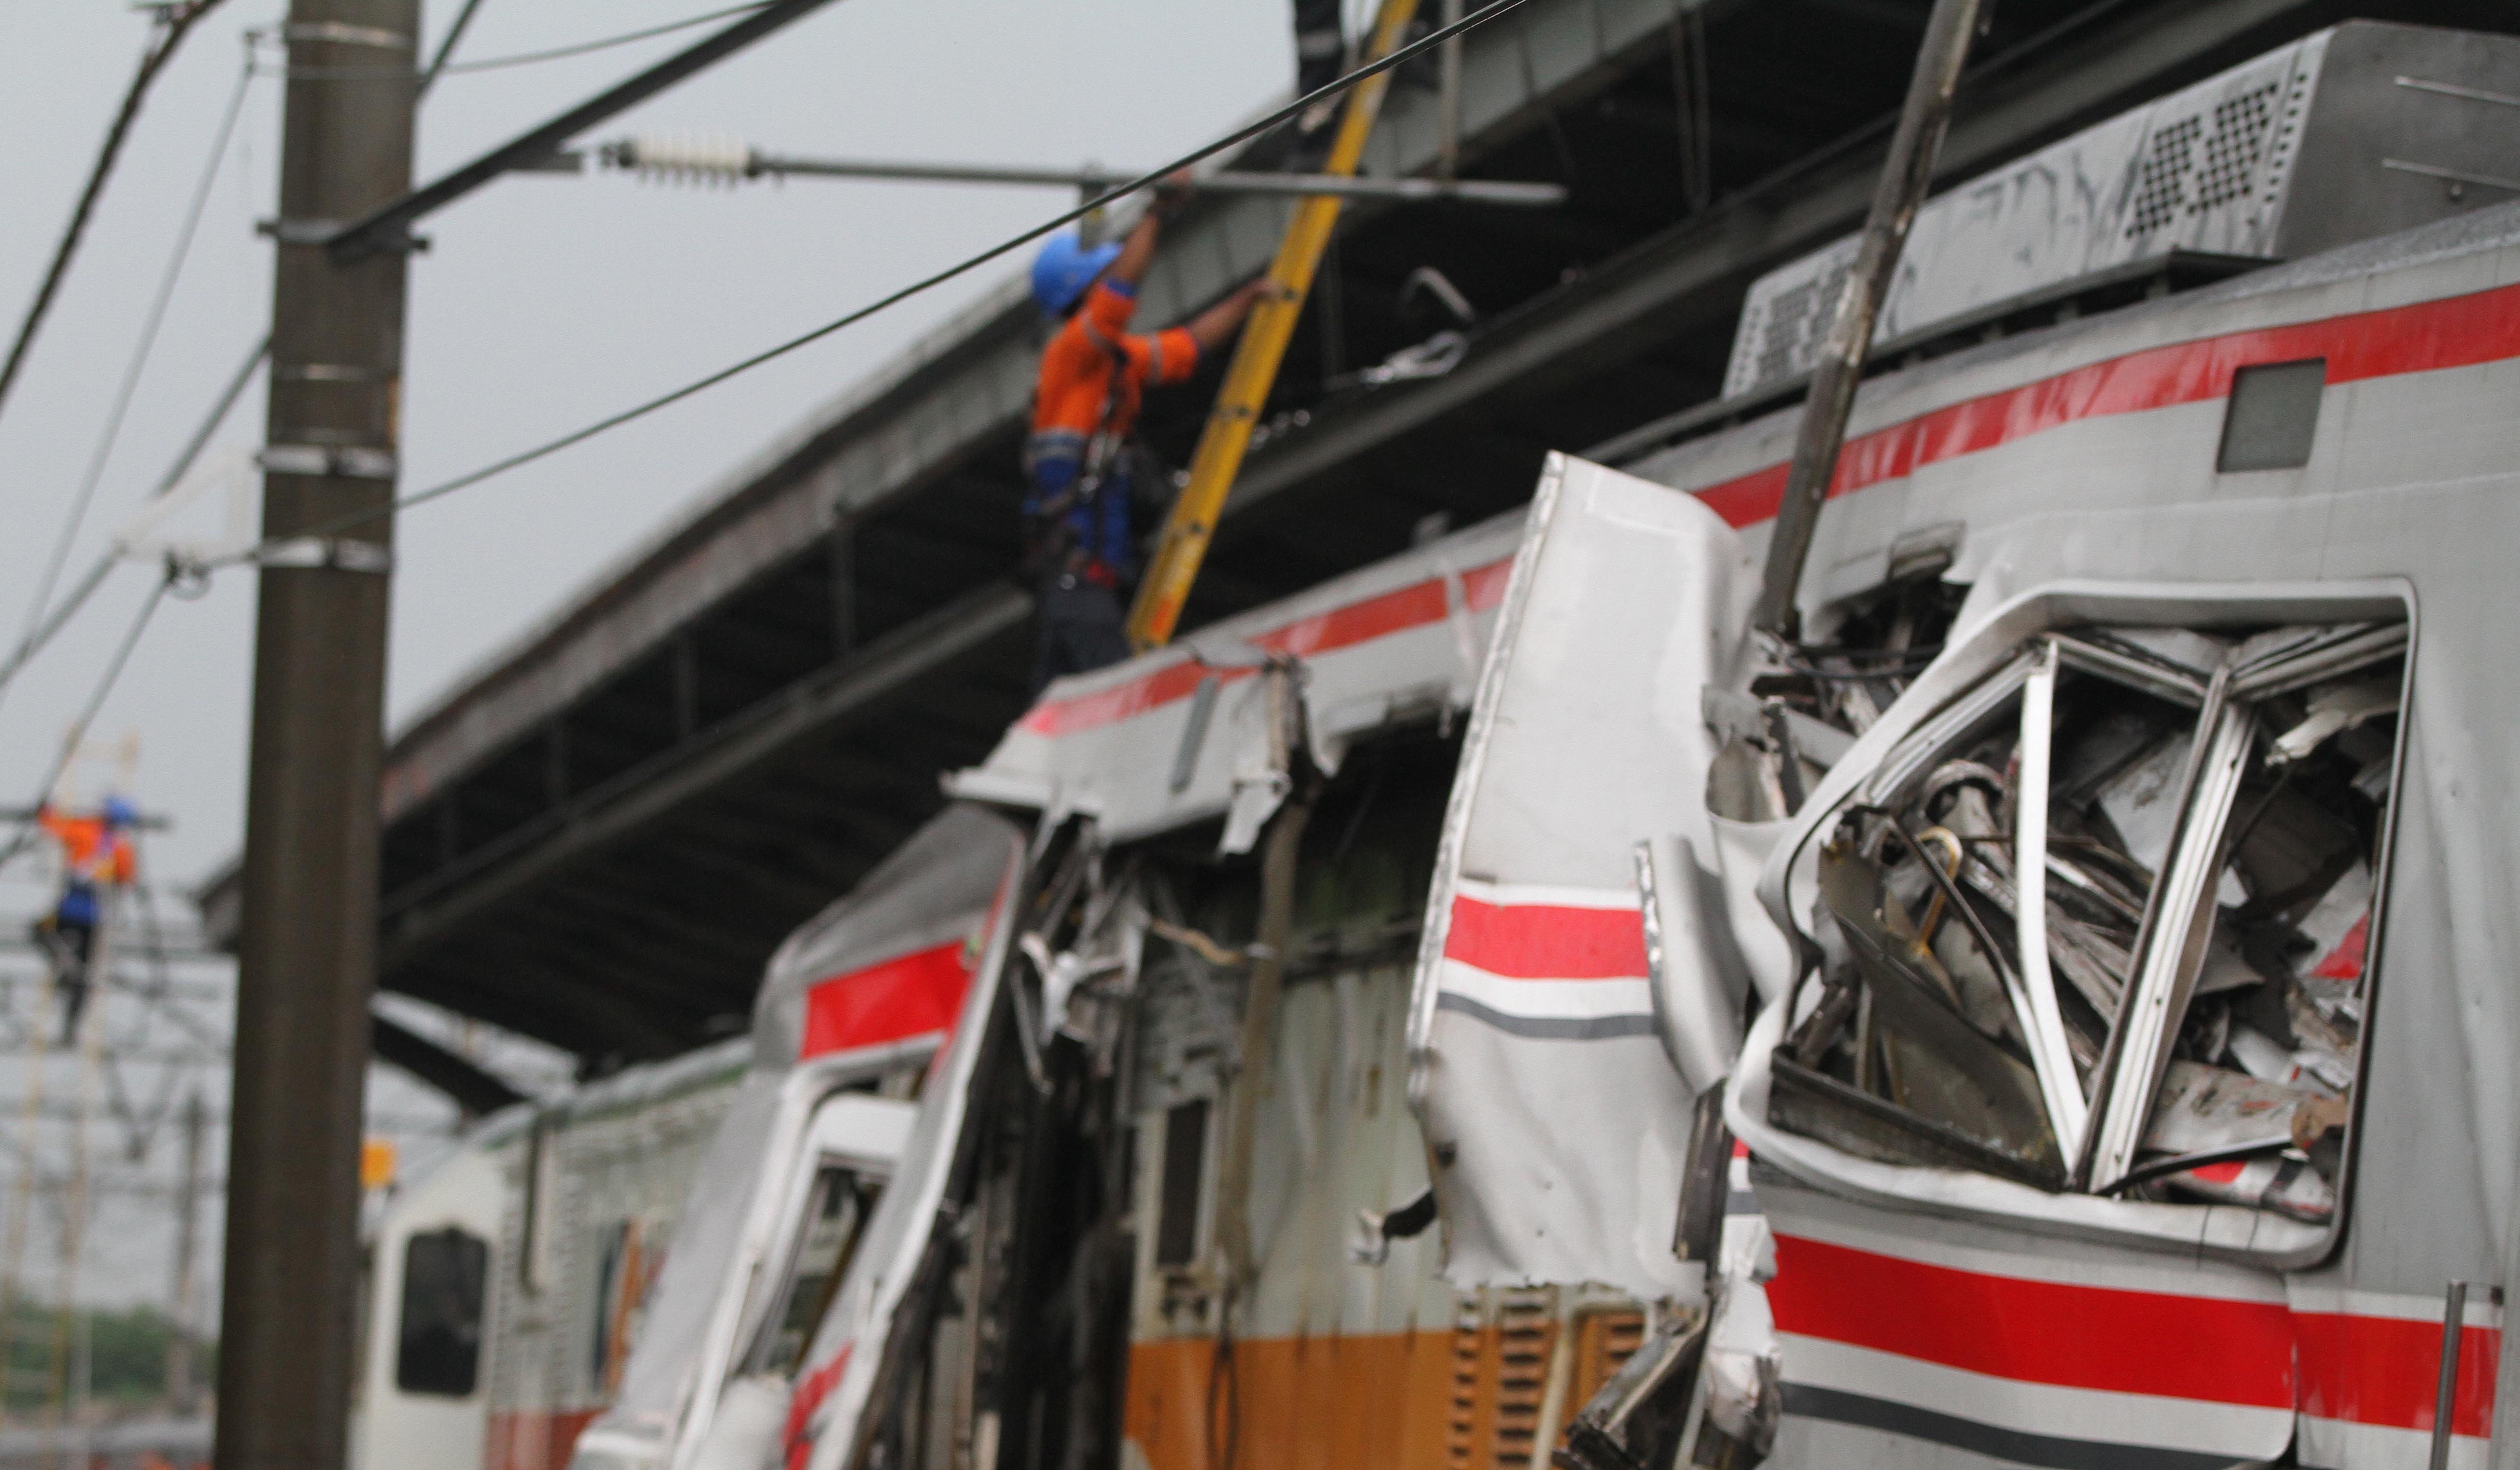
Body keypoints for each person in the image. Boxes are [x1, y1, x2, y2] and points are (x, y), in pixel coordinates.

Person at [1023, 183, 1267, 691]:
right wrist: (1155, 212)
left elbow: (1186, 348)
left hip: (1083, 589)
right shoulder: (1068, 356)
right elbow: (1118, 298)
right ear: (1082, 293)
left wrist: (1248, 299)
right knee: (1119, 699)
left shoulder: (1113, 366)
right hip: (1079, 587)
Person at [31, 794, 135, 1044]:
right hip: (96, 919)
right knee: (85, 975)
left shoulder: (85, 832)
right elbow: (125, 880)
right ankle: (71, 1028)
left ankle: (63, 960)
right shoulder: (121, 849)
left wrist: (45, 810)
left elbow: (55, 827)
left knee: (39, 931)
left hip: (68, 911)